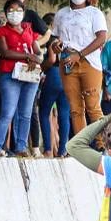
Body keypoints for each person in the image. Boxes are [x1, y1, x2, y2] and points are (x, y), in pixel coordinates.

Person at [53, 0, 107, 133]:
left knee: (93, 107)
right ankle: (80, 148)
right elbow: (56, 38)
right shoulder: (61, 14)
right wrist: (56, 45)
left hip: (89, 63)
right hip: (67, 62)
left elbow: (101, 38)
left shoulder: (94, 13)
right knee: (75, 109)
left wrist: (80, 55)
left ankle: (103, 145)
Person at [0, 0, 41, 157]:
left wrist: (36, 58)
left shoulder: (28, 29)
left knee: (25, 113)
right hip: (9, 75)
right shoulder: (0, 32)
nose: (14, 14)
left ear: (24, 13)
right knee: (8, 112)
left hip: (29, 75)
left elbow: (37, 51)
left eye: (18, 10)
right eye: (10, 11)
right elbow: (5, 52)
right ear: (5, 13)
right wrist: (28, 56)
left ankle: (21, 147)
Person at [39, 12, 71, 158]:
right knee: (64, 114)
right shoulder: (69, 39)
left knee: (44, 112)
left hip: (53, 75)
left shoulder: (52, 39)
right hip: (67, 76)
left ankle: (47, 149)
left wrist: (40, 68)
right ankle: (63, 150)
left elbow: (51, 60)